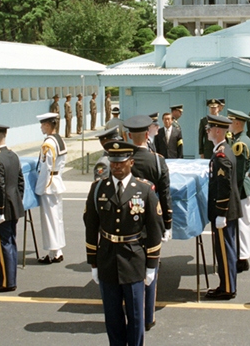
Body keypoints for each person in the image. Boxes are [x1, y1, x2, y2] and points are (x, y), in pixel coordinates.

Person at [84, 140, 163, 346]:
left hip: (134, 258)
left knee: (136, 317)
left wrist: (151, 266)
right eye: (113, 162)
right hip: (108, 258)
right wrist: (93, 263)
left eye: (121, 162)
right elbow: (91, 228)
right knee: (112, 316)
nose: (116, 166)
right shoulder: (98, 189)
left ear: (131, 162)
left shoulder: (144, 190)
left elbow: (155, 230)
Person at [123, 115, 172, 331]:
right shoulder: (158, 160)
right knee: (151, 266)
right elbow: (165, 195)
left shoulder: (122, 160)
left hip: (127, 223)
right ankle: (148, 316)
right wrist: (168, 223)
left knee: (129, 270)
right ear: (146, 135)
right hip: (152, 222)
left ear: (128, 136)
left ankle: (132, 312)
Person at [206, 114, 242, 299]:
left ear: (217, 131)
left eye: (210, 128)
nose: (208, 131)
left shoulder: (221, 155)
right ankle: (226, 284)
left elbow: (224, 187)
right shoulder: (223, 150)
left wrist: (220, 213)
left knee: (225, 250)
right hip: (229, 210)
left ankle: (228, 288)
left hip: (225, 211)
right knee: (225, 248)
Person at [0, 123, 25, 293]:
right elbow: (20, 182)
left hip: (2, 209)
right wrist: (16, 200)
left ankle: (6, 282)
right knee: (11, 243)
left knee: (3, 246)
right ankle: (10, 279)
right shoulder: (13, 155)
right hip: (13, 205)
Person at [34, 113, 67, 264]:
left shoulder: (48, 143)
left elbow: (45, 168)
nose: (41, 128)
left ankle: (53, 253)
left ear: (48, 125)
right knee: (57, 218)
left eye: (42, 125)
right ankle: (57, 250)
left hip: (49, 184)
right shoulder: (60, 140)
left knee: (49, 219)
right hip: (57, 180)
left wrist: (39, 188)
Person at [227, 109, 250, 273]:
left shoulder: (241, 143)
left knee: (243, 224)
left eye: (231, 121)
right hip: (242, 187)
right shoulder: (238, 139)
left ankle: (242, 258)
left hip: (241, 188)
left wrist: (232, 190)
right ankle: (241, 255)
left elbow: (239, 172)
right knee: (241, 223)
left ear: (237, 123)